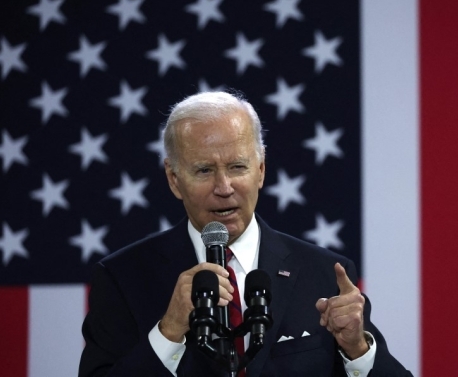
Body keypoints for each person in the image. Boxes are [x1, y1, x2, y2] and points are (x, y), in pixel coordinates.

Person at [79, 91, 412, 376]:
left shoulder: (324, 275)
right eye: (204, 170)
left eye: (237, 167)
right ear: (174, 178)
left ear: (261, 169)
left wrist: (357, 348)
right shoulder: (123, 278)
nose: (224, 188)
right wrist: (168, 332)